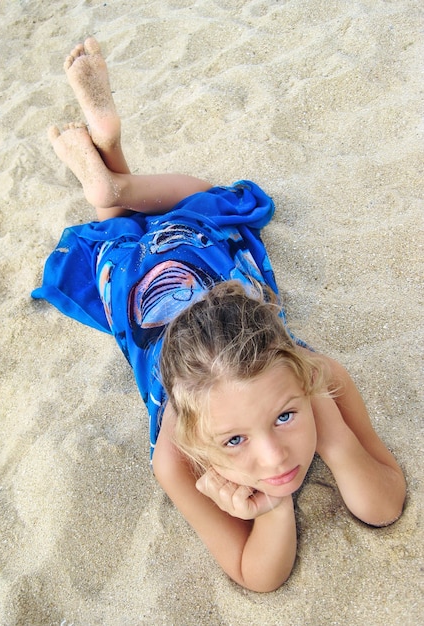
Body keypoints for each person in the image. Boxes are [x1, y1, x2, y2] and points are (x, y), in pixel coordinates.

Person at [33, 38, 406, 593]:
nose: (274, 454)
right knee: (174, 216)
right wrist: (274, 507)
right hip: (176, 278)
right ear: (190, 430)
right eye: (233, 441)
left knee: (145, 226)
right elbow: (256, 575)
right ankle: (113, 175)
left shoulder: (316, 376)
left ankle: (113, 177)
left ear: (299, 374)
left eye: (285, 416)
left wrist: (333, 437)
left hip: (170, 283)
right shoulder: (175, 456)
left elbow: (384, 506)